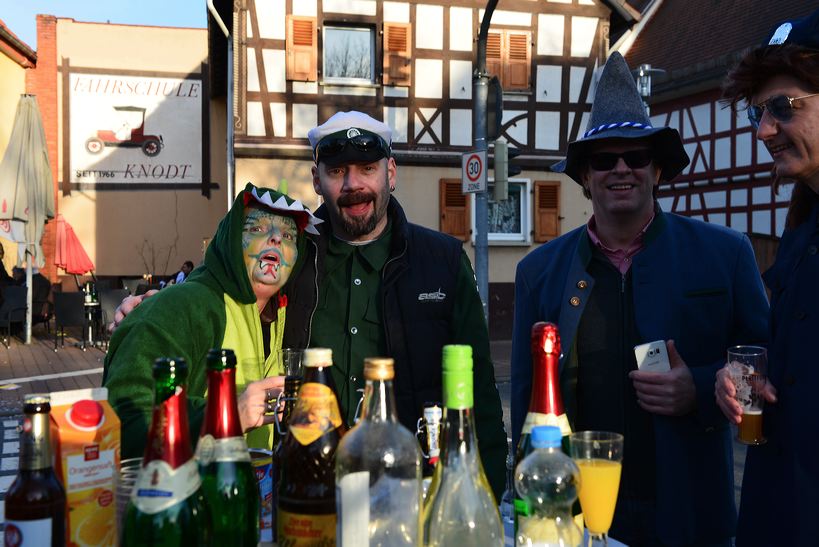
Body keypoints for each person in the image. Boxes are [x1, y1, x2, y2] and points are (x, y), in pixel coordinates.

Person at [112, 112, 508, 499]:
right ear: (317, 179)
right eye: (337, 172)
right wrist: (152, 306)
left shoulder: (442, 262)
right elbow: (223, 278)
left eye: (367, 168)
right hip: (307, 490)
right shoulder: (291, 255)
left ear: (390, 173)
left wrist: (487, 494)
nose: (353, 185)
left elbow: (481, 394)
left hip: (413, 488)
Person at [510, 52, 769, 546]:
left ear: (658, 171)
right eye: (604, 159)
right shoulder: (538, 273)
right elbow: (525, 397)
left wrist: (699, 388)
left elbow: (765, 357)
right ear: (585, 177)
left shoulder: (725, 254)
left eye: (636, 157)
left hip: (691, 509)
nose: (621, 168)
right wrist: (521, 495)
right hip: (578, 511)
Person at [102, 183, 321, 458]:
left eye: (289, 235)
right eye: (257, 229)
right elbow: (123, 418)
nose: (277, 239)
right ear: (229, 242)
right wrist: (225, 414)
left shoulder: (283, 315)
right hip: (181, 493)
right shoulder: (182, 307)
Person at [716, 9, 819, 546]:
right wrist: (737, 374)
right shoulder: (801, 230)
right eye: (759, 112)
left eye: (783, 108)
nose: (764, 131)